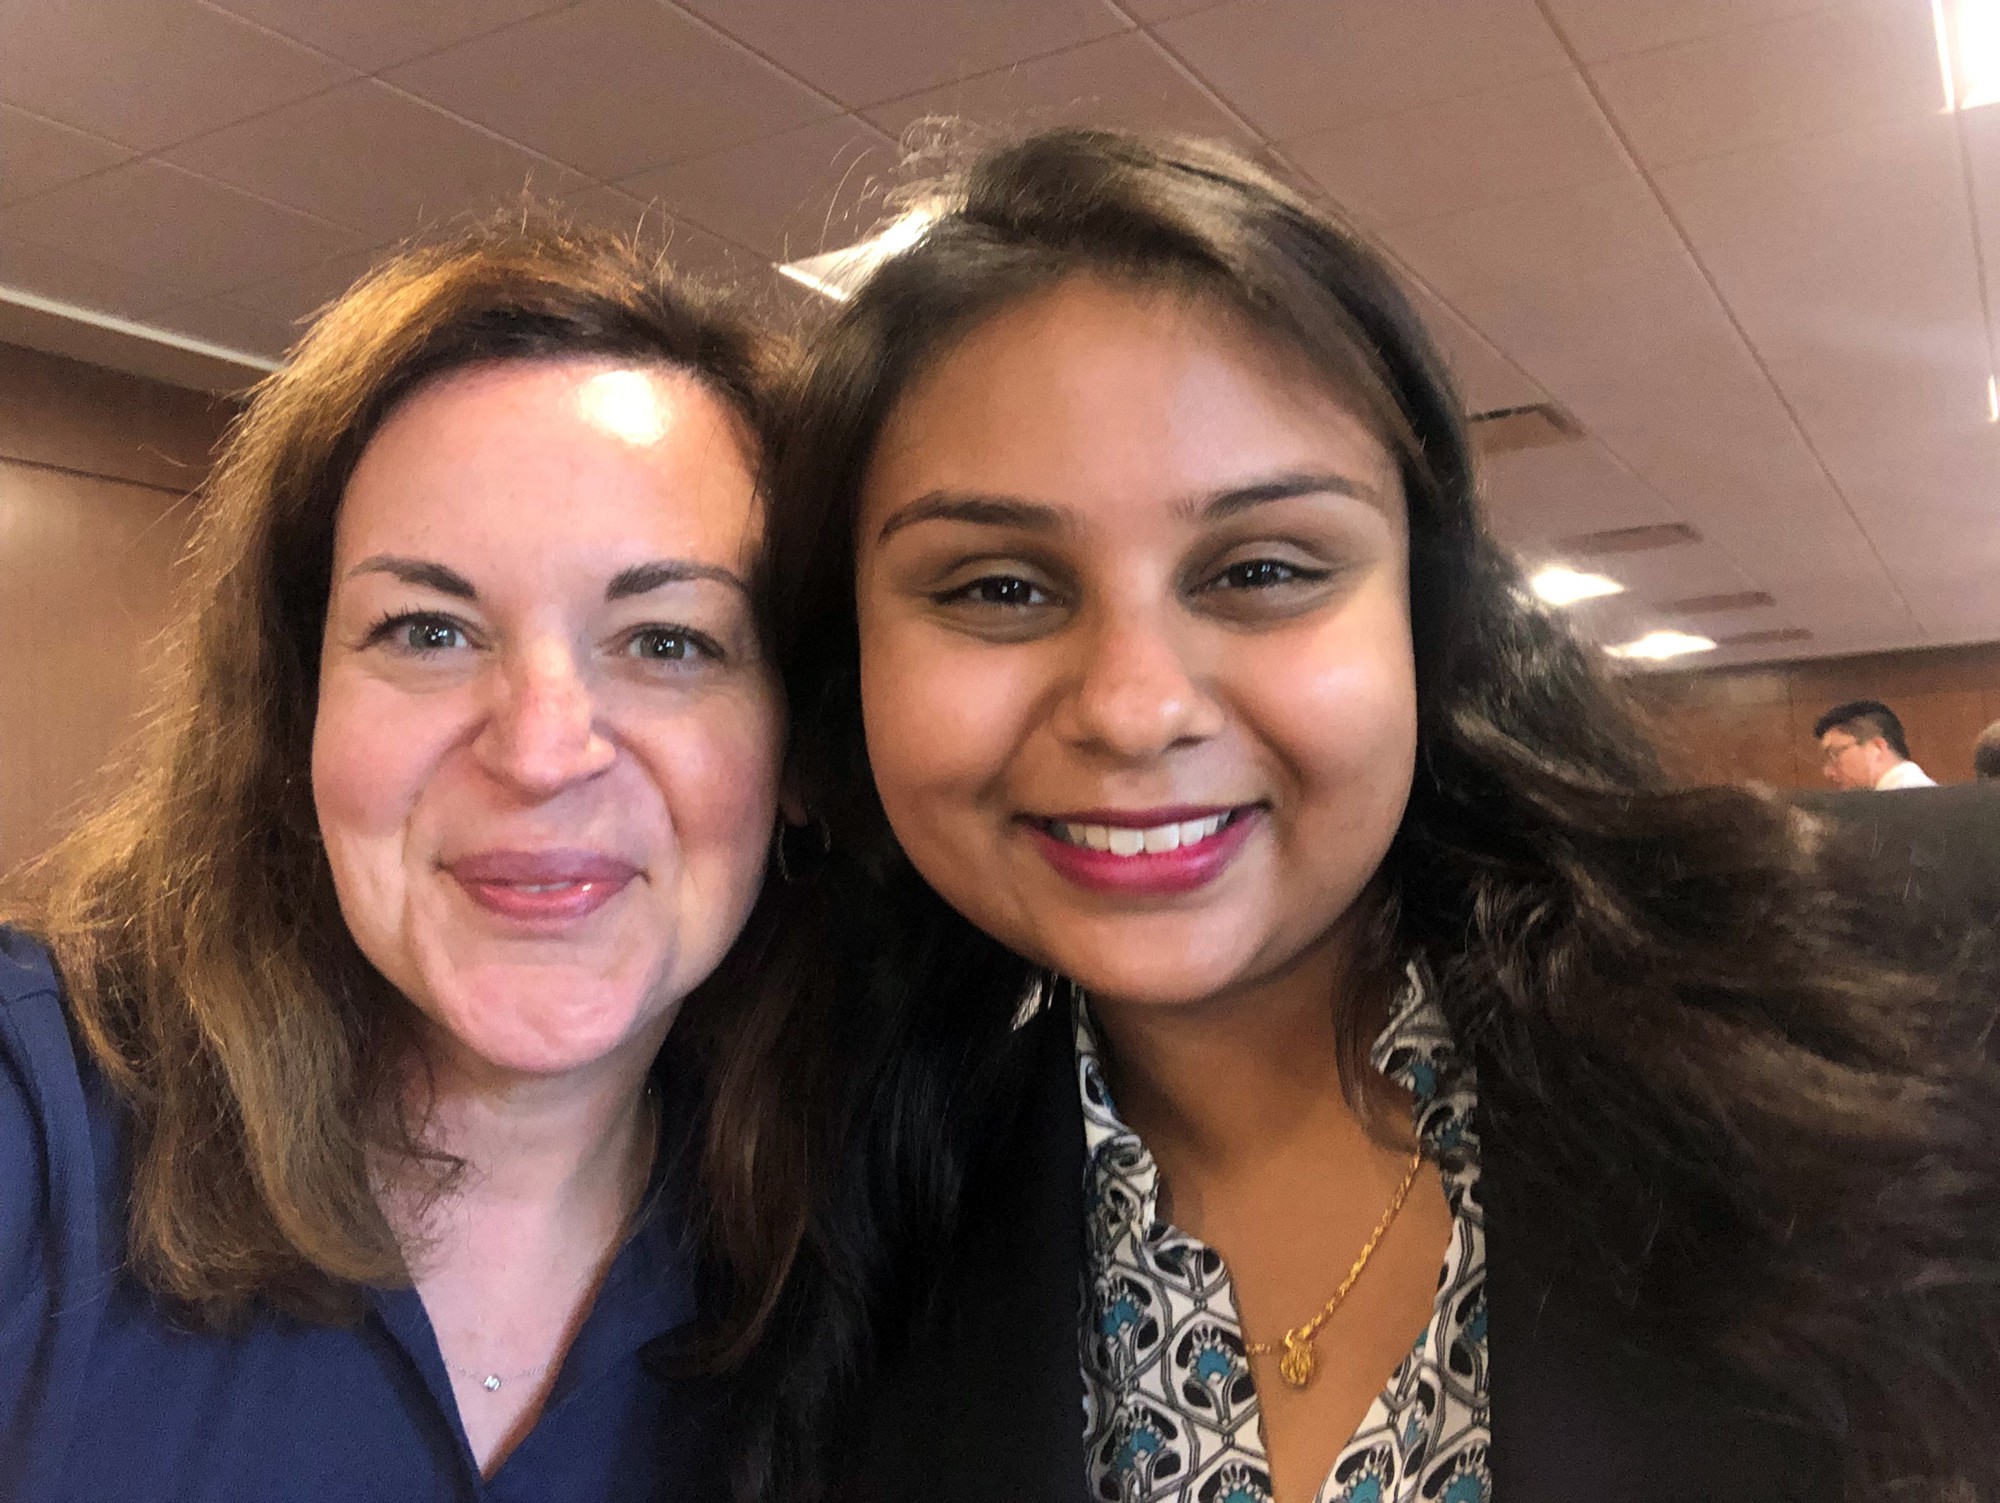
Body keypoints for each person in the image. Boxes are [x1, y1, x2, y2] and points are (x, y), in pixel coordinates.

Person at [697, 131, 2000, 1503]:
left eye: (1261, 566)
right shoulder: (834, 1249)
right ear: (851, 671)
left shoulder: (1920, 998)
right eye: (998, 588)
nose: (1135, 708)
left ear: (1428, 625)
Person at [0, 220, 789, 1501]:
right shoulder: (44, 1122)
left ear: (803, 747)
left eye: (667, 642)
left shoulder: (870, 1272)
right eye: (427, 629)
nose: (540, 752)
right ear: (295, 707)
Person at [1814, 699, 1935, 789]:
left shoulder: (1902, 802)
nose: (1828, 772)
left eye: (1834, 755)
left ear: (1877, 748)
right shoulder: (1919, 793)